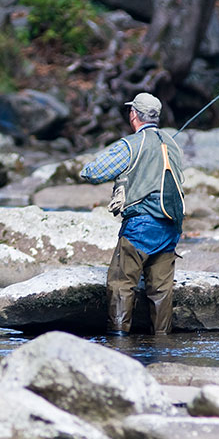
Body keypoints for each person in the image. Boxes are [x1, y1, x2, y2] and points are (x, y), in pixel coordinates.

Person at [80, 92, 185, 335]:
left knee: (120, 284)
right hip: (171, 226)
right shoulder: (173, 144)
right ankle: (162, 344)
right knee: (161, 291)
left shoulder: (131, 145)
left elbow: (92, 172)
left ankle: (119, 341)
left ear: (133, 115)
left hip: (140, 227)